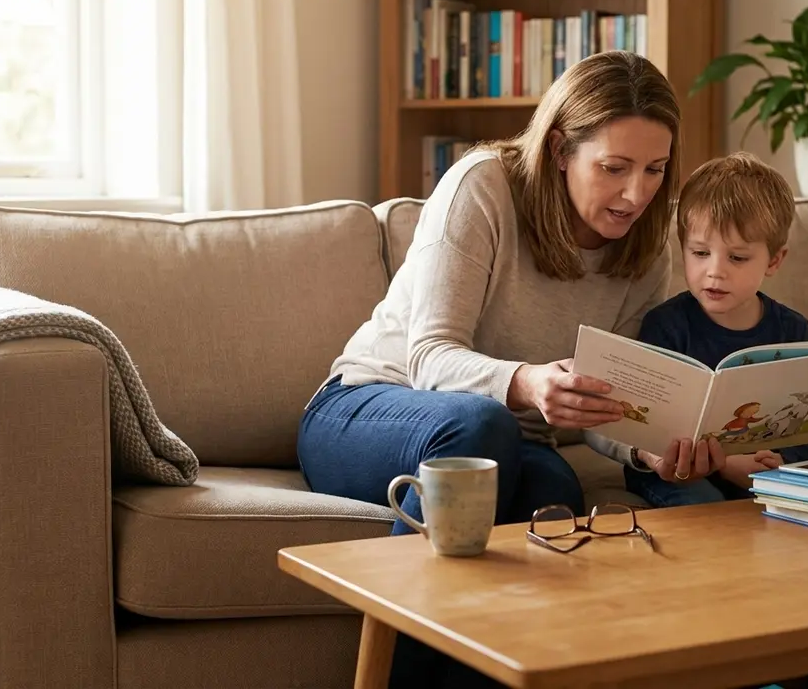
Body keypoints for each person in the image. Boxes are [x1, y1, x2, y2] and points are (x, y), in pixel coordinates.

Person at [296, 50, 714, 688]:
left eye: (655, 170)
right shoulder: (483, 186)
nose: (637, 193)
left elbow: (606, 399)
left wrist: (648, 450)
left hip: (507, 444)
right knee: (481, 426)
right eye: (614, 168)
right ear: (560, 151)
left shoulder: (647, 245)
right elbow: (429, 357)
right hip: (364, 409)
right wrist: (527, 383)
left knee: (553, 486)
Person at [584, 151, 808, 508]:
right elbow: (641, 421)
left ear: (774, 260)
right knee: (703, 502)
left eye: (737, 258)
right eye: (700, 253)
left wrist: (781, 460)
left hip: (757, 471)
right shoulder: (666, 324)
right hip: (673, 473)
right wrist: (725, 463)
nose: (715, 271)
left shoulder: (792, 329)